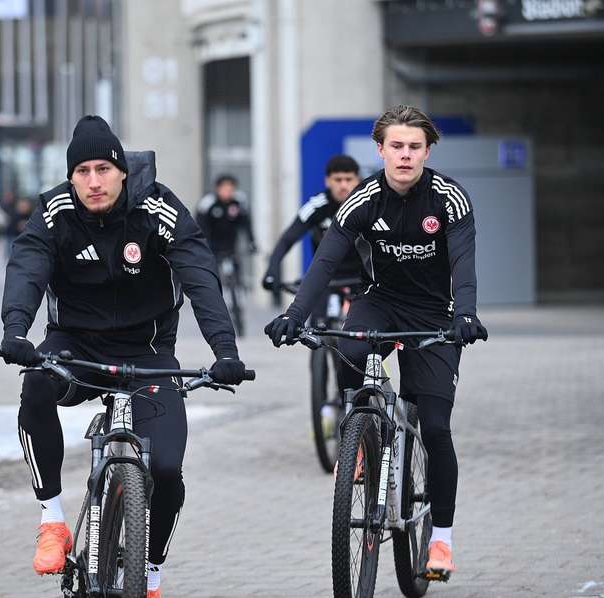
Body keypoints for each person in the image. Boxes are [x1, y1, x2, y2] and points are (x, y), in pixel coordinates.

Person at [0, 115, 247, 596]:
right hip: (77, 347)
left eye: (103, 169)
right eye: (82, 171)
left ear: (123, 171)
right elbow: (26, 267)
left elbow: (199, 275)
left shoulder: (159, 208)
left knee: (168, 471)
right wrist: (15, 330)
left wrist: (226, 352)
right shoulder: (54, 212)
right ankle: (52, 519)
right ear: (71, 177)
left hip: (148, 353)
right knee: (35, 382)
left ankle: (149, 573)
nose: (94, 181)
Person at [264, 105, 488, 580]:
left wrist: (466, 314)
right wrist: (293, 316)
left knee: (436, 426)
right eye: (396, 146)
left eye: (414, 147)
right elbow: (324, 263)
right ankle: (365, 425)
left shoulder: (450, 199)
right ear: (380, 149)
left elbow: (463, 263)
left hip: (436, 314)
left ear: (427, 150)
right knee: (346, 347)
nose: (405, 155)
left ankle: (441, 542)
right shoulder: (362, 199)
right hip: (379, 302)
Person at [261, 154, 363, 323]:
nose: (343, 185)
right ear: (327, 181)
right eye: (337, 180)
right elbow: (288, 239)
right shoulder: (316, 205)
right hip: (326, 276)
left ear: (357, 180)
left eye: (348, 179)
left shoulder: (369, 202)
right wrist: (272, 269)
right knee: (316, 327)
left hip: (362, 277)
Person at [195, 174, 257, 274]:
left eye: (231, 189)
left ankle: (236, 287)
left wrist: (251, 242)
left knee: (235, 274)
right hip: (211, 247)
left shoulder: (238, 203)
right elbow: (199, 225)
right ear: (218, 188)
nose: (228, 192)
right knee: (210, 273)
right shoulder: (208, 203)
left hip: (231, 248)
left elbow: (246, 224)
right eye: (225, 189)